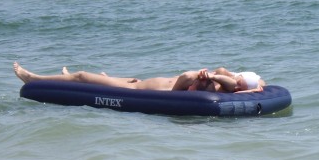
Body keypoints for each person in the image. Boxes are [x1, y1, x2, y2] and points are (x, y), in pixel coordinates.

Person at [13, 62, 264, 93]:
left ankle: (33, 78)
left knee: (81, 75)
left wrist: (208, 76)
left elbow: (184, 80)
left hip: (138, 91)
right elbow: (261, 85)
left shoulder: (214, 89)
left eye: (235, 77)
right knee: (86, 77)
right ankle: (66, 78)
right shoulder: (222, 81)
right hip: (136, 81)